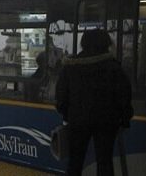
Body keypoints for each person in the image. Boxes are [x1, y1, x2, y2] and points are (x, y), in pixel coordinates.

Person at [55, 28, 133, 175]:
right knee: (105, 161)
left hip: (77, 121)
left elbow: (61, 97)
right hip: (107, 122)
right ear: (106, 44)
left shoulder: (70, 66)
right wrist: (124, 120)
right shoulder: (113, 67)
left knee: (75, 161)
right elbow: (124, 96)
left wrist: (66, 116)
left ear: (83, 43)